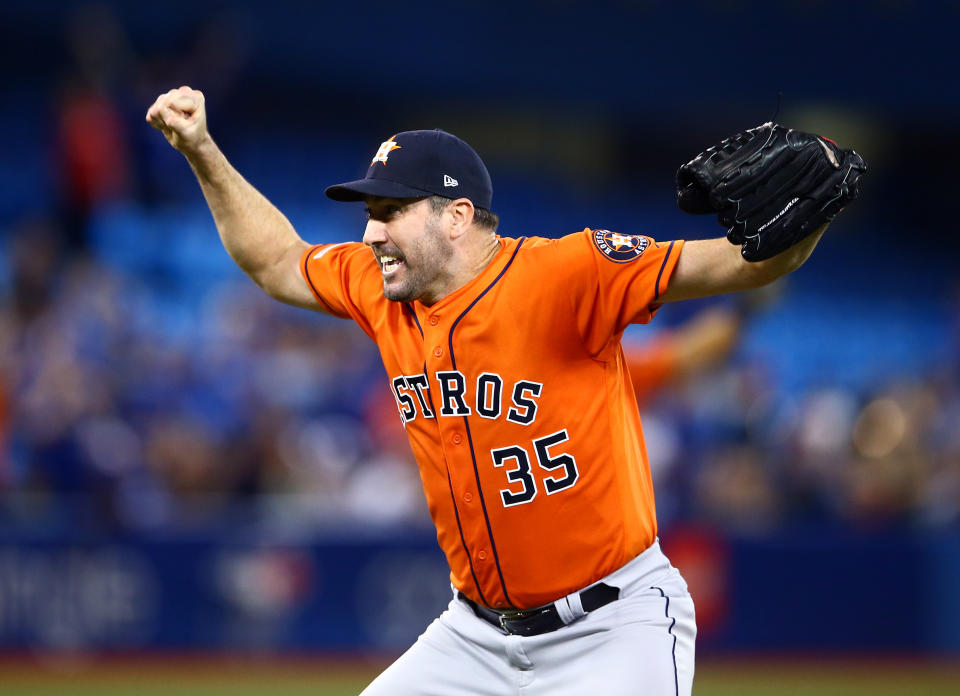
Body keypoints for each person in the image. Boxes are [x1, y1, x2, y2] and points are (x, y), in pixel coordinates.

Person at [146, 86, 835, 696]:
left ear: (455, 216)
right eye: (368, 211)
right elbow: (276, 261)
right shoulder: (380, 289)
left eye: (390, 210)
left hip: (614, 626)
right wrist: (202, 149)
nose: (370, 233)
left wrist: (820, 201)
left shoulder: (567, 273)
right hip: (474, 636)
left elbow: (744, 264)